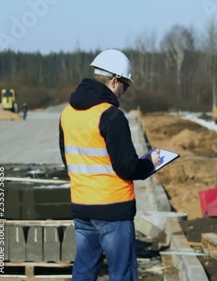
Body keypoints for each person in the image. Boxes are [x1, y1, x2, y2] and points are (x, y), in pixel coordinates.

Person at [58, 49, 160, 280]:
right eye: (125, 85)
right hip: (113, 209)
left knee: (84, 271)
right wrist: (150, 164)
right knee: (121, 274)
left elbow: (69, 160)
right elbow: (127, 168)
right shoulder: (111, 116)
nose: (124, 92)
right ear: (114, 80)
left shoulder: (67, 113)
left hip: (82, 206)